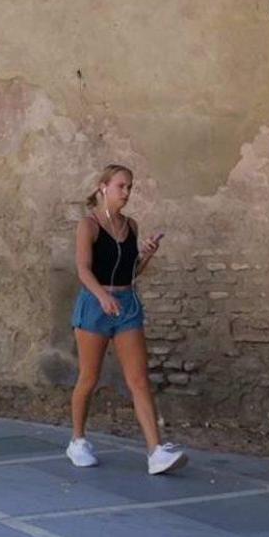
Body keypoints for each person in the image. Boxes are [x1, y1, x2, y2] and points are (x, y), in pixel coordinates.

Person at [67, 164, 186, 475]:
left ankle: (155, 451)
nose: (127, 193)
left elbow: (130, 272)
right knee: (89, 379)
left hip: (127, 304)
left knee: (139, 379)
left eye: (130, 187)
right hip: (95, 306)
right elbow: (83, 268)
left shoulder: (131, 226)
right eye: (121, 186)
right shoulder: (89, 226)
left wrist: (147, 253)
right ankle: (77, 441)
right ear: (103, 187)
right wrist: (102, 297)